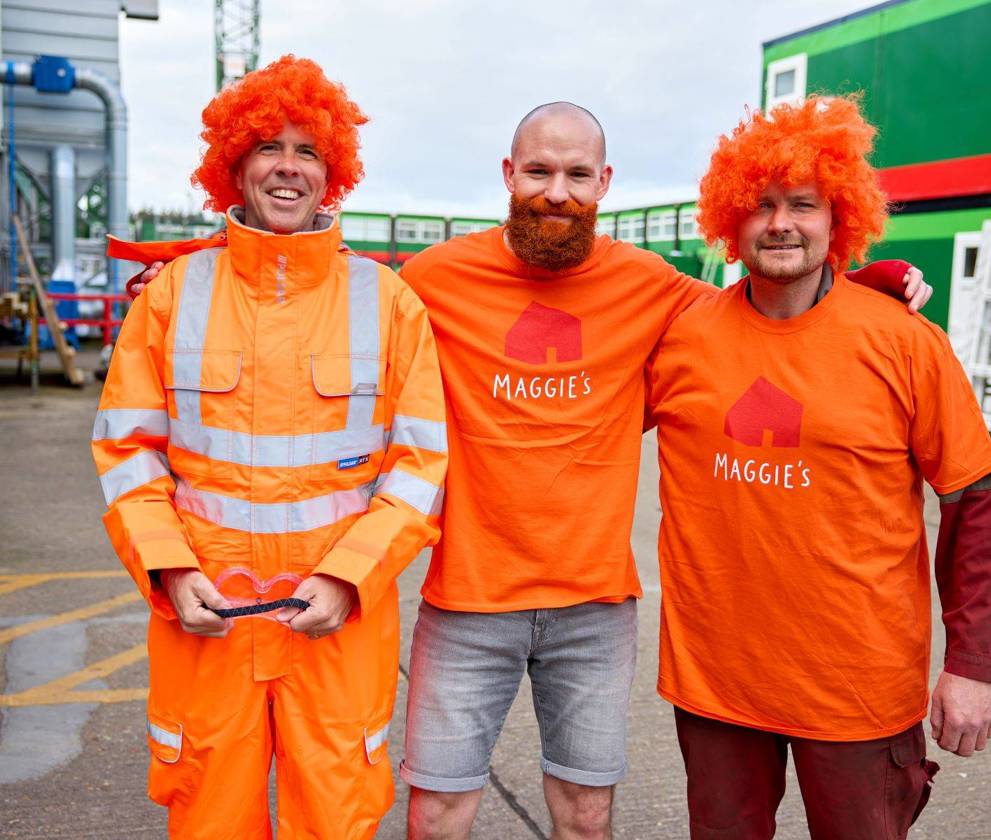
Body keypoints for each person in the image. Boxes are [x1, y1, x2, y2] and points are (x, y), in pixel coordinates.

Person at [125, 101, 930, 840]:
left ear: (603, 184)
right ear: (508, 176)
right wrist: (196, 264)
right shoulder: (433, 280)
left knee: (585, 813)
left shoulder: (653, 289)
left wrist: (864, 283)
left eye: (577, 174)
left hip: (592, 607)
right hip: (467, 600)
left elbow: (762, 305)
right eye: (539, 171)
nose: (557, 190)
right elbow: (323, 288)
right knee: (437, 811)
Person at [91, 55, 447, 839]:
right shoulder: (174, 299)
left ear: (334, 172)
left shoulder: (388, 303)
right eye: (267, 148)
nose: (288, 168)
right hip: (207, 620)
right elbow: (128, 453)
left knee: (339, 814)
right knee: (210, 815)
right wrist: (173, 572)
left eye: (308, 150)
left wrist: (350, 579)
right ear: (234, 164)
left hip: (337, 628)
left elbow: (420, 468)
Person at [646, 94, 991, 839]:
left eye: (802, 204)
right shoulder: (680, 338)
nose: (779, 223)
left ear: (839, 219)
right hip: (716, 683)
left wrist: (970, 663)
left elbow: (974, 500)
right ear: (727, 218)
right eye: (760, 204)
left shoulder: (902, 339)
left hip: (856, 690)